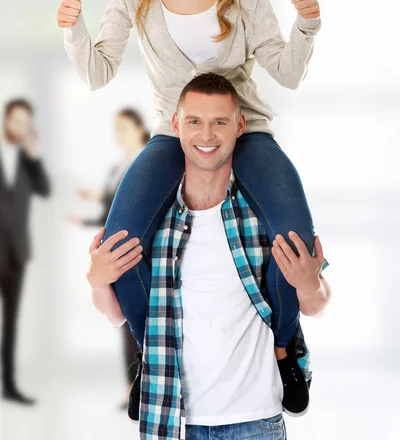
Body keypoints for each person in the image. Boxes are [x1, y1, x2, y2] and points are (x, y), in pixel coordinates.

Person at [58, 0, 323, 413]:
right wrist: (72, 27)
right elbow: (97, 71)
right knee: (119, 243)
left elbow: (287, 73)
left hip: (244, 128)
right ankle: (146, 356)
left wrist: (307, 25)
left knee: (295, 234)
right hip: (171, 132)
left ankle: (286, 343)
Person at [87, 74, 331, 440]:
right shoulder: (155, 220)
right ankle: (145, 367)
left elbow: (318, 305)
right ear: (175, 125)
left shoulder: (263, 211)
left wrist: (310, 284)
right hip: (174, 418)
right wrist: (96, 281)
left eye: (220, 122)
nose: (207, 136)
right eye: (194, 122)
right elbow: (115, 315)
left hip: (257, 420)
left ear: (240, 125)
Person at [67, 107, 150, 409]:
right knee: (123, 322)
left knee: (138, 320)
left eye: (124, 128)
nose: (119, 135)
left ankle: (143, 382)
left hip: (140, 252)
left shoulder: (148, 161)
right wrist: (87, 219)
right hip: (116, 254)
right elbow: (111, 211)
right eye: (116, 129)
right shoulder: (119, 167)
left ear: (139, 129)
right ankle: (133, 386)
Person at [0, 99, 51, 405]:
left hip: (17, 253)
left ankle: (8, 385)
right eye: (17, 121)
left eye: (26, 123)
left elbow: (45, 190)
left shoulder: (26, 161)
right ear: (6, 120)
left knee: (11, 323)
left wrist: (34, 157)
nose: (21, 128)